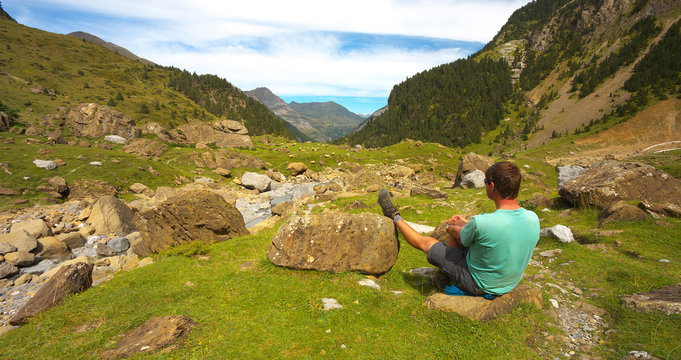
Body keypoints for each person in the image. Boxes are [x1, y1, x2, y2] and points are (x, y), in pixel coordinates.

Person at [378, 161, 539, 297]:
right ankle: (444, 276)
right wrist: (465, 222)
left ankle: (393, 214)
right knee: (460, 234)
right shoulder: (533, 218)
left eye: (485, 182)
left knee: (426, 242)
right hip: (508, 284)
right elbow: (498, 228)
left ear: (492, 186)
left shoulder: (482, 222)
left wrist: (450, 227)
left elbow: (462, 235)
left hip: (480, 284)